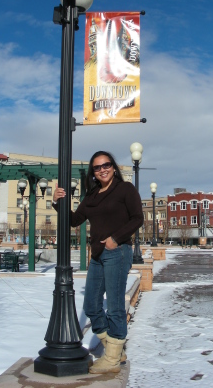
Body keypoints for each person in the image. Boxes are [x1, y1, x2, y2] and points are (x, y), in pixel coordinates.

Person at [53, 151, 143, 374]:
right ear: (92, 173)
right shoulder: (92, 196)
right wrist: (57, 202)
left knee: (114, 307)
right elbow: (75, 220)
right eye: (97, 167)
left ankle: (112, 358)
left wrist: (115, 239)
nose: (102, 169)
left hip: (118, 252)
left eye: (106, 165)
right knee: (92, 305)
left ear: (113, 167)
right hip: (98, 256)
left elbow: (137, 218)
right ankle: (114, 349)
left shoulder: (125, 189)